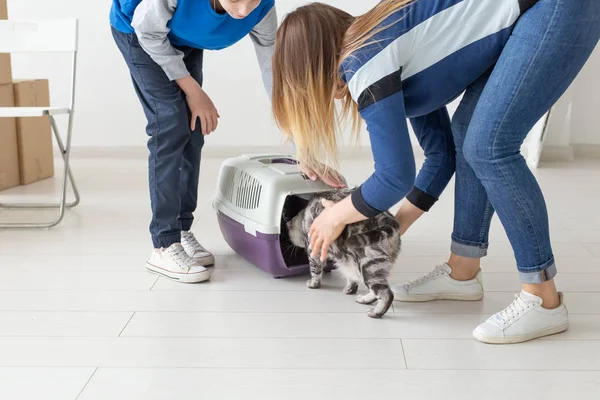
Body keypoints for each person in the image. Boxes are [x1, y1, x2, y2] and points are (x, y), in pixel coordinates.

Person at [272, 0, 600, 344]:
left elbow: (394, 176)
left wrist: (337, 215)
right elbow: (441, 155)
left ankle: (543, 299)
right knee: (468, 135)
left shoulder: (365, 62)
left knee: (489, 146)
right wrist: (388, 229)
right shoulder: (382, 47)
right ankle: (463, 272)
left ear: (309, 70)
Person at [110, 0, 277, 283]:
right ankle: (163, 244)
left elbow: (273, 67)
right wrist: (194, 91)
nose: (243, 10)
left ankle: (181, 229)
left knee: (193, 128)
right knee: (170, 125)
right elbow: (148, 31)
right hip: (141, 33)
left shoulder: (263, 8)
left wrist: (296, 132)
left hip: (181, 36)